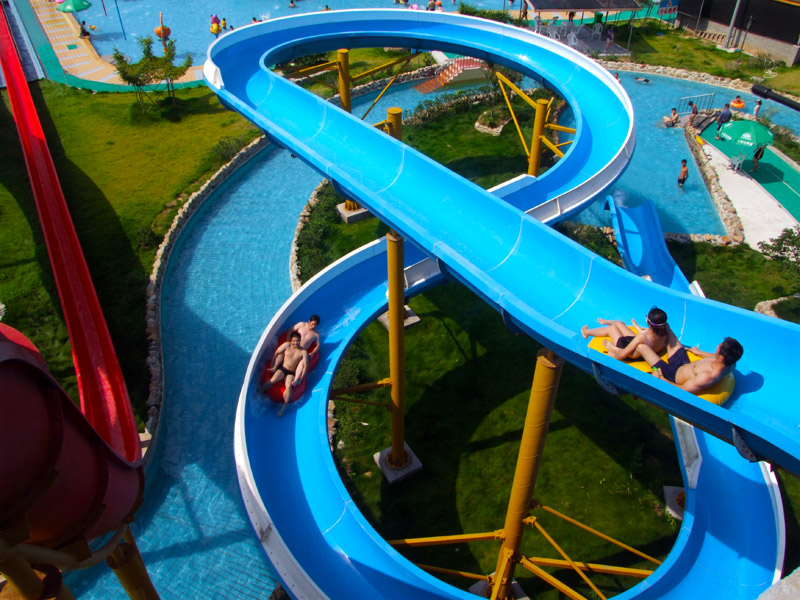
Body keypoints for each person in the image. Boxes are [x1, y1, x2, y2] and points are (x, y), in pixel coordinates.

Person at [637, 333, 743, 395]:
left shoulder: (707, 376)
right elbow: (714, 356)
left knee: (642, 347)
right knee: (667, 329)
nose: (717, 347)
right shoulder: (730, 363)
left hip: (671, 375)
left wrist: (661, 378)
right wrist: (699, 352)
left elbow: (682, 390)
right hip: (683, 363)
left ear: (721, 357)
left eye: (719, 347)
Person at [582, 307, 671, 361]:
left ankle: (586, 332)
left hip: (628, 350)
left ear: (648, 323)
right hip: (642, 351)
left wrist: (613, 350)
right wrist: (636, 326)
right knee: (620, 324)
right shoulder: (664, 330)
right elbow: (645, 334)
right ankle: (610, 322)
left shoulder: (642, 338)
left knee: (612, 329)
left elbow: (622, 354)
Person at [259, 332, 309, 415]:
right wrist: (273, 366)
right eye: (294, 341)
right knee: (273, 380)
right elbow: (276, 353)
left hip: (291, 373)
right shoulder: (287, 345)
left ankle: (284, 407)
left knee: (288, 386)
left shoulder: (303, 352)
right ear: (291, 340)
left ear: (300, 340)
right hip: (283, 369)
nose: (295, 343)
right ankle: (260, 392)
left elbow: (306, 366)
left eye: (297, 341)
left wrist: (301, 378)